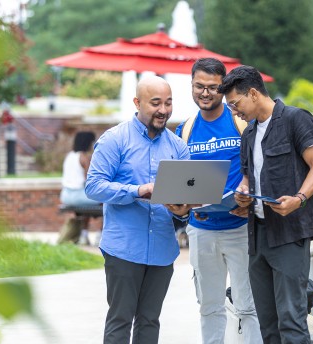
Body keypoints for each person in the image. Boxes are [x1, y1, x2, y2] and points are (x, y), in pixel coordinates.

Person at [218, 65, 313, 344]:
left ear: (253, 93)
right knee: (267, 324)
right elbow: (247, 177)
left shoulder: (296, 119)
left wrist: (299, 199)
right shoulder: (249, 134)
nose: (235, 111)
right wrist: (242, 193)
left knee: (291, 322)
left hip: (290, 234)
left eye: (235, 103)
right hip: (258, 236)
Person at [85, 76, 192, 344]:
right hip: (124, 248)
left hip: (162, 248)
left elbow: (184, 202)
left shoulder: (178, 146)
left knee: (150, 320)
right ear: (137, 102)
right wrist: (137, 191)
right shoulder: (115, 139)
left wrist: (182, 210)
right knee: (120, 319)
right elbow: (94, 187)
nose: (163, 110)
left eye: (168, 103)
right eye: (155, 103)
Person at [175, 58, 262, 344]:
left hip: (238, 227)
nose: (205, 93)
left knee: (248, 307)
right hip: (201, 229)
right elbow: (180, 182)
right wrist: (179, 202)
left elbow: (259, 167)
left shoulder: (239, 121)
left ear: (223, 88)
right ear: (191, 85)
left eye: (213, 87)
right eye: (199, 86)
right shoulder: (184, 131)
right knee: (209, 307)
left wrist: (248, 195)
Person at [59, 130, 99, 245]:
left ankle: (83, 235)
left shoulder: (69, 156)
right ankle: (99, 235)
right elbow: (90, 181)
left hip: (66, 195)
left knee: (87, 205)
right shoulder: (84, 157)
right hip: (79, 196)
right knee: (106, 199)